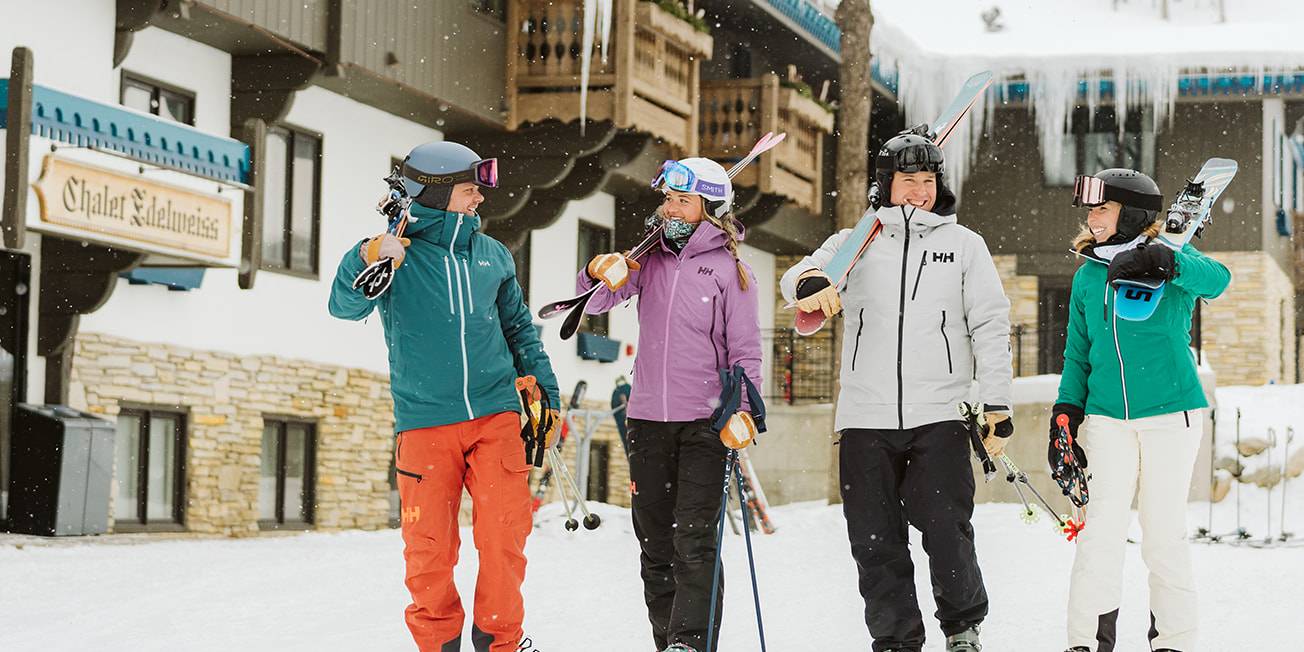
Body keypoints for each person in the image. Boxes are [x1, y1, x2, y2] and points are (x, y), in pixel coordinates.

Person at [779, 129, 1014, 652]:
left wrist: (997, 401)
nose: (919, 192)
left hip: (941, 412)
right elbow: (798, 276)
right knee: (874, 540)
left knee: (946, 530)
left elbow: (991, 325)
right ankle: (895, 639)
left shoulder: (964, 245)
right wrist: (811, 285)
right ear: (886, 185)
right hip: (865, 415)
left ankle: (962, 628)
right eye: (908, 181)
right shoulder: (854, 242)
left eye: (928, 181)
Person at [328, 140, 559, 652]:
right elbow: (343, 307)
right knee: (428, 547)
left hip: (496, 414)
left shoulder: (492, 255)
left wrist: (547, 393)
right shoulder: (393, 252)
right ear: (432, 193)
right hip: (425, 421)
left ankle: (501, 640)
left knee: (505, 535)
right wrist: (366, 256)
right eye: (469, 190)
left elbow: (519, 329)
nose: (479, 200)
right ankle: (438, 644)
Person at [579, 157, 763, 652]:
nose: (670, 208)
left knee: (694, 541)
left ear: (709, 209)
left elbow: (745, 350)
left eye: (682, 200)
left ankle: (689, 642)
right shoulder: (649, 261)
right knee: (656, 542)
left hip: (707, 423)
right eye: (667, 199)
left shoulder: (731, 271)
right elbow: (594, 302)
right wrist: (599, 270)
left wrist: (744, 409)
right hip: (646, 419)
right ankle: (668, 641)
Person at [1053, 168, 1230, 652]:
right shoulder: (1089, 275)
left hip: (1174, 415)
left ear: (1131, 214)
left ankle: (1173, 641)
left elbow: (1219, 281)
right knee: (1100, 534)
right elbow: (1078, 352)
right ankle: (1086, 642)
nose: (1092, 218)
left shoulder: (1171, 257)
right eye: (1091, 210)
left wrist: (1171, 264)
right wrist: (1065, 412)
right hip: (1109, 418)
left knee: (1163, 534)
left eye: (1102, 209)